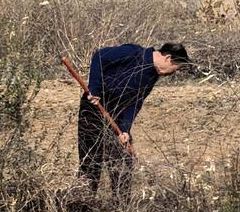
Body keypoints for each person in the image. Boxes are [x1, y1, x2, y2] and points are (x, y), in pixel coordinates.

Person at [76, 41, 191, 195]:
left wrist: (125, 130)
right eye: (175, 69)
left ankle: (121, 208)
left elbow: (135, 103)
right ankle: (83, 204)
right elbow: (99, 56)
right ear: (168, 59)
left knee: (123, 160)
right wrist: (95, 89)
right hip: (95, 107)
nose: (173, 73)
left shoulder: (151, 76)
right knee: (91, 159)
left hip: (117, 114)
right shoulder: (132, 53)